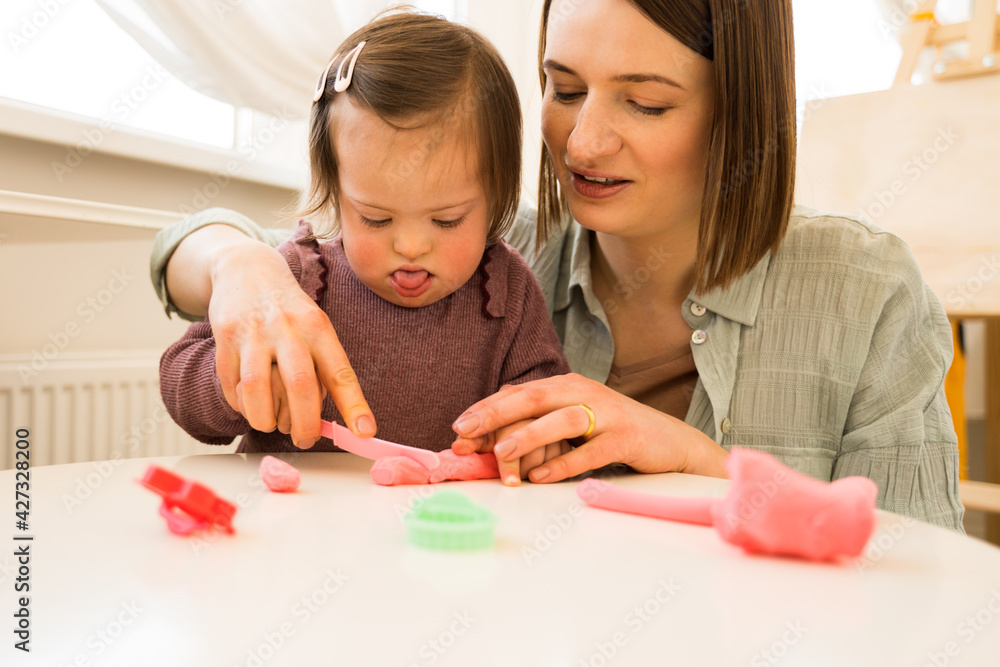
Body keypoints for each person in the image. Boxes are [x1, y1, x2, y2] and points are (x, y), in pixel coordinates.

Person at [151, 0, 964, 530]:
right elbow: (203, 252)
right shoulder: (476, 242)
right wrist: (239, 266)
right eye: (565, 89)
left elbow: (915, 576)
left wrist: (699, 462)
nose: (584, 143)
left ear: (740, 110)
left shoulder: (866, 294)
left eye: (645, 102)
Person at [158, 10, 569, 474]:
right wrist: (243, 382)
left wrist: (529, 432)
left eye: (447, 219)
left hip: (438, 516)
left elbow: (547, 396)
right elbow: (179, 383)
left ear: (496, 198)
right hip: (295, 511)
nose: (410, 246)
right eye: (375, 218)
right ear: (336, 192)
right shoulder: (297, 278)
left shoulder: (507, 292)